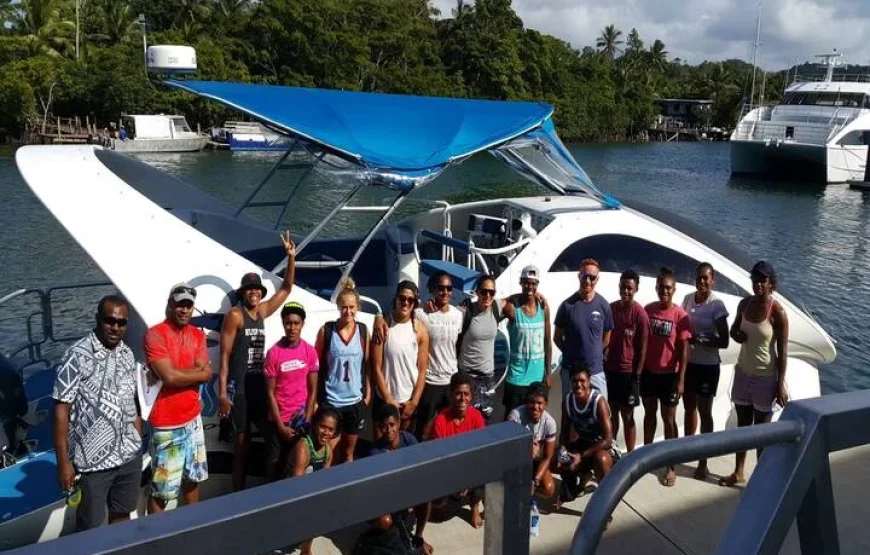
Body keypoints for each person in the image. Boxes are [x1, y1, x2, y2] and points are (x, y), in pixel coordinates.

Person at [52, 295, 142, 531]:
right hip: (93, 463)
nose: (115, 327)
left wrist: (137, 434)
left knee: (122, 516)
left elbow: (132, 398)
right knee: (90, 528)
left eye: (121, 323)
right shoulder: (76, 355)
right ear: (97, 319)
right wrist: (63, 462)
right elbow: (61, 410)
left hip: (129, 455)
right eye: (109, 320)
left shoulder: (127, 354)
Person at [219, 231, 296, 491]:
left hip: (259, 388)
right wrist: (222, 394)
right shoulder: (235, 316)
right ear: (243, 293)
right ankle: (237, 498)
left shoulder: (262, 311)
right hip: (240, 391)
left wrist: (291, 258)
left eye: (257, 289)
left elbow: (286, 289)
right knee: (241, 448)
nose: (254, 292)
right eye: (250, 289)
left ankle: (273, 490)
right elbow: (225, 357)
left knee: (273, 438)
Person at [720, 261, 789, 488]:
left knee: (761, 433)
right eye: (755, 280)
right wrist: (737, 334)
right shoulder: (744, 304)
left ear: (771, 283)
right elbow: (733, 330)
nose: (758, 284)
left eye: (763, 280)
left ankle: (761, 479)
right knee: (743, 427)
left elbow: (782, 352)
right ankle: (738, 472)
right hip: (742, 373)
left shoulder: (777, 312)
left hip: (765, 377)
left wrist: (780, 384)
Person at [145, 283, 212, 514]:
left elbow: (207, 373)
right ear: (170, 305)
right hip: (166, 423)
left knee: (193, 478)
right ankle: (156, 541)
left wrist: (177, 375)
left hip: (193, 419)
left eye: (188, 306)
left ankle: (192, 526)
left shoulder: (197, 335)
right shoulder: (155, 334)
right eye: (179, 305)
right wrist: (194, 375)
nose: (184, 310)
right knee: (161, 489)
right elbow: (169, 377)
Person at [642, 267, 691, 487]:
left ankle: (671, 465)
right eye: (661, 287)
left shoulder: (681, 316)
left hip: (670, 375)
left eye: (668, 288)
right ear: (656, 288)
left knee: (669, 420)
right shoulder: (648, 310)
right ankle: (646, 458)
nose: (665, 291)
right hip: (649, 373)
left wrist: (681, 380)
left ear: (674, 290)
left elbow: (684, 349)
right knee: (649, 415)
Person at [681, 262, 729, 480]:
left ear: (713, 280)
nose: (702, 281)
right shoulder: (688, 299)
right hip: (690, 364)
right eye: (699, 277)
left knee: (705, 411)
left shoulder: (716, 305)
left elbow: (725, 341)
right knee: (689, 408)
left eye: (706, 278)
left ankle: (703, 461)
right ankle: (687, 450)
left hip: (709, 366)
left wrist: (704, 339)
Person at [315, 278, 371, 463]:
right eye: (344, 307)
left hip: (355, 401)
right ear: (339, 307)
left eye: (352, 307)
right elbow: (317, 366)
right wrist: (316, 399)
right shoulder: (327, 331)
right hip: (332, 400)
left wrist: (367, 395)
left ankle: (348, 489)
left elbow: (367, 365)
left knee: (348, 453)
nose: (348, 311)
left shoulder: (363, 331)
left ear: (357, 307)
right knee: (329, 454)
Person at [263, 302, 319, 480]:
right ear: (283, 324)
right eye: (288, 323)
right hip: (279, 423)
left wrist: (307, 421)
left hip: (301, 422)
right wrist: (280, 426)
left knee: (299, 468)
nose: (292, 328)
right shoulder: (274, 353)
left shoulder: (310, 352)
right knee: (274, 467)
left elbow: (312, 390)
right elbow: (270, 392)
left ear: (302, 324)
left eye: (296, 323)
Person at [369, 403, 433, 555]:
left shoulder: (409, 440)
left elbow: (419, 470)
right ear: (379, 427)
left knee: (426, 497)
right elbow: (380, 487)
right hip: (386, 498)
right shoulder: (374, 453)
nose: (389, 430)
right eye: (384, 426)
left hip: (406, 491)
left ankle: (418, 537)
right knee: (386, 523)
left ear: (398, 424)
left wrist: (410, 498)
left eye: (392, 425)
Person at [429, 372, 486, 528]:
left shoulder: (476, 417)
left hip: (471, 471)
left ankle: (475, 506)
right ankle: (458, 499)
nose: (462, 398)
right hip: (449, 472)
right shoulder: (441, 420)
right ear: (451, 395)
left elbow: (480, 454)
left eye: (466, 394)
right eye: (458, 394)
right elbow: (441, 459)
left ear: (471, 396)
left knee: (487, 472)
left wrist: (466, 480)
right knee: (439, 516)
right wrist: (456, 481)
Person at [372, 281, 430, 434]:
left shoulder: (420, 331)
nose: (405, 302)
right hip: (385, 400)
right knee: (381, 445)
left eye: (410, 300)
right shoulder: (383, 326)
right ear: (396, 299)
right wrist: (388, 399)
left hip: (407, 401)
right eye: (402, 298)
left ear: (414, 303)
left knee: (403, 446)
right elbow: (376, 366)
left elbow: (422, 370)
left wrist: (414, 402)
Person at [412, 271, 464, 439]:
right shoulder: (421, 314)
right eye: (440, 288)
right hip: (430, 381)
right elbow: (400, 310)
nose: (445, 292)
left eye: (449, 288)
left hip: (451, 380)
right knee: (424, 428)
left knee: (450, 428)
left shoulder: (458, 315)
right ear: (432, 290)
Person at [556, 365, 615, 508]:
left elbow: (608, 439)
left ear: (589, 381)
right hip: (583, 444)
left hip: (602, 448)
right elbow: (564, 431)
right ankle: (579, 482)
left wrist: (581, 456)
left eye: (582, 381)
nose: (578, 385)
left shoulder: (598, 401)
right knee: (559, 457)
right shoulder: (568, 401)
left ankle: (604, 507)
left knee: (600, 460)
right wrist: (562, 450)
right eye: (575, 381)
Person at [604, 270, 650, 453]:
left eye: (629, 288)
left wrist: (636, 376)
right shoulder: (611, 309)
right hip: (610, 371)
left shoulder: (640, 314)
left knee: (628, 416)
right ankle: (613, 451)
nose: (626, 291)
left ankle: (631, 456)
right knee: (611, 413)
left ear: (636, 289)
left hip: (629, 374)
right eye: (623, 287)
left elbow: (643, 347)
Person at [554, 259, 613, 398]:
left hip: (596, 372)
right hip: (571, 372)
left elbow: (606, 339)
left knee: (600, 414)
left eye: (592, 277)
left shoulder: (604, 306)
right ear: (578, 276)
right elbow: (557, 338)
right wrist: (572, 352)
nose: (587, 280)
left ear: (597, 279)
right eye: (584, 276)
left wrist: (593, 353)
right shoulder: (566, 306)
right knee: (569, 413)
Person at [502, 265, 552, 415]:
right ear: (520, 283)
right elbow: (493, 304)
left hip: (537, 379)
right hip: (516, 379)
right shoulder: (512, 308)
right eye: (526, 283)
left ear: (537, 285)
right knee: (512, 423)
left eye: (533, 283)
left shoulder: (544, 308)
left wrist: (548, 374)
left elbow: (547, 342)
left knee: (535, 424)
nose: (529, 287)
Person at [456, 274, 505, 423]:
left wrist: (538, 296)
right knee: (465, 418)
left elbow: (514, 300)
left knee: (485, 418)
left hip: (488, 377)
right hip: (467, 376)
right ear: (477, 292)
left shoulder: (496, 307)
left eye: (492, 292)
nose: (488, 296)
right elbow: (445, 313)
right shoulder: (465, 311)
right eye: (484, 292)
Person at [292, 407, 339, 555]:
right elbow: (296, 485)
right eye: (323, 427)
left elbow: (325, 480)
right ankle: (305, 551)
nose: (326, 433)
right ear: (315, 425)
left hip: (311, 488)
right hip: (292, 490)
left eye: (330, 429)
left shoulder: (328, 451)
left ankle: (305, 547)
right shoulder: (303, 448)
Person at [506, 382, 557, 500]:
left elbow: (548, 457)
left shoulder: (550, 423)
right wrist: (526, 450)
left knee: (549, 489)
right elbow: (509, 449)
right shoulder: (515, 417)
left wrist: (536, 480)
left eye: (539, 403)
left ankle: (531, 493)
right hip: (516, 460)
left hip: (536, 461)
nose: (535, 407)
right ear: (526, 402)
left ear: (545, 404)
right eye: (532, 402)